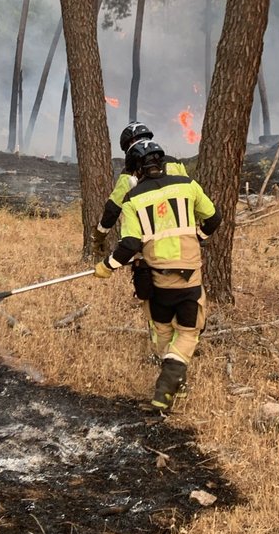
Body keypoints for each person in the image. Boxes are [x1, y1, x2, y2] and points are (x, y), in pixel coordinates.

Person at [94, 139, 221, 411]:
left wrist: (106, 266)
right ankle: (172, 383)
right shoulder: (188, 185)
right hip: (190, 277)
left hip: (158, 279)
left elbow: (129, 245)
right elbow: (213, 219)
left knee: (163, 330)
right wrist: (198, 237)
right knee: (188, 332)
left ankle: (169, 385)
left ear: (136, 169)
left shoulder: (133, 199)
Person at [92, 121, 187, 257]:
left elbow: (113, 208)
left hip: (151, 238)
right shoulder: (175, 162)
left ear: (131, 144)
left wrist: (99, 236)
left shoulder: (130, 172)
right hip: (183, 235)